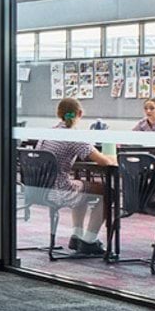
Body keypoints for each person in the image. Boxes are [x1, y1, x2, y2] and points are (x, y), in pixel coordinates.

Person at [35, 98, 115, 257]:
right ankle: (89, 241)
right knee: (108, 191)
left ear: (59, 114)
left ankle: (77, 236)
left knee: (83, 189)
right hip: (58, 190)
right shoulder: (74, 135)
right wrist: (112, 158)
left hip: (38, 189)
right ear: (80, 113)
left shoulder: (47, 133)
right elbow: (103, 161)